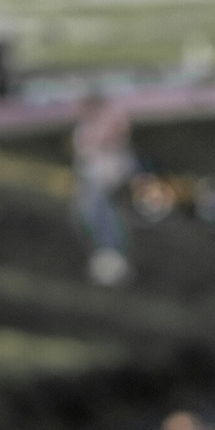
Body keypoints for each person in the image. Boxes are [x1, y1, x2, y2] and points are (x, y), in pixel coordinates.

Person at [71, 92, 137, 286]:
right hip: (96, 174)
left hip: (110, 171)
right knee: (92, 211)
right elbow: (86, 153)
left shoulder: (110, 117)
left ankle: (109, 249)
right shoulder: (84, 128)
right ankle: (109, 249)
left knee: (96, 209)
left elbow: (114, 139)